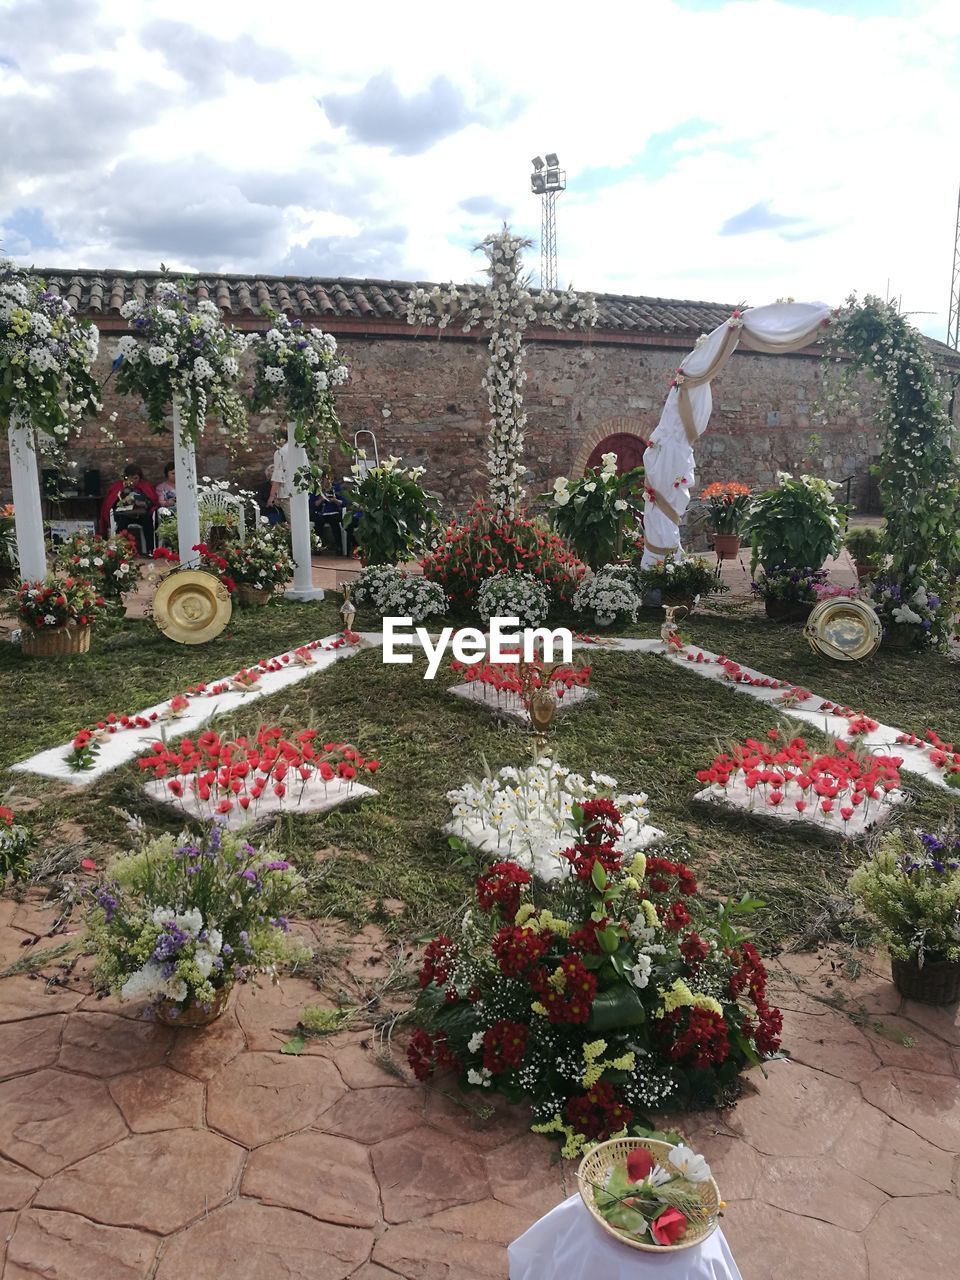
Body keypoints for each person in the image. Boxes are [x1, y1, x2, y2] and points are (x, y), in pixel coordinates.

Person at [99, 463, 159, 555]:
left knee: (148, 522)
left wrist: (142, 503)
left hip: (141, 514)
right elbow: (111, 503)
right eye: (131, 478)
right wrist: (123, 502)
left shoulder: (144, 486)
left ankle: (150, 550)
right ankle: (120, 550)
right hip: (125, 514)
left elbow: (152, 501)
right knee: (121, 524)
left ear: (139, 478)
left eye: (136, 478)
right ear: (126, 477)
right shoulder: (119, 487)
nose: (133, 481)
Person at [311, 470, 348, 554]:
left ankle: (339, 547)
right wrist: (321, 499)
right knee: (318, 523)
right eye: (326, 479)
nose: (328, 481)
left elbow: (344, 502)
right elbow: (313, 505)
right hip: (320, 513)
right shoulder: (317, 489)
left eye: (330, 479)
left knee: (335, 522)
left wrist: (335, 500)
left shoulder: (336, 488)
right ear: (322, 479)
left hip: (333, 513)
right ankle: (318, 547)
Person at [267, 431, 292, 524]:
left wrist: (272, 496)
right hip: (302, 494)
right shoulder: (301, 450)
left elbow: (278, 476)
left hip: (287, 493)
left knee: (294, 525)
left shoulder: (281, 453)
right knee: (301, 524)